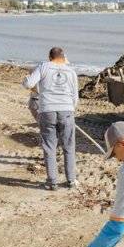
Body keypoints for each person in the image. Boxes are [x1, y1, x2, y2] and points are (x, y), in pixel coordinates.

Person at [22, 47, 79, 190]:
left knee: (49, 147)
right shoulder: (71, 71)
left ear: (49, 57)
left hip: (47, 110)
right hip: (66, 110)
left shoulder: (43, 67)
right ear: (63, 57)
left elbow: (29, 84)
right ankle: (71, 180)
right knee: (69, 146)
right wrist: (69, 109)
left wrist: (26, 81)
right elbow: (75, 97)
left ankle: (52, 182)